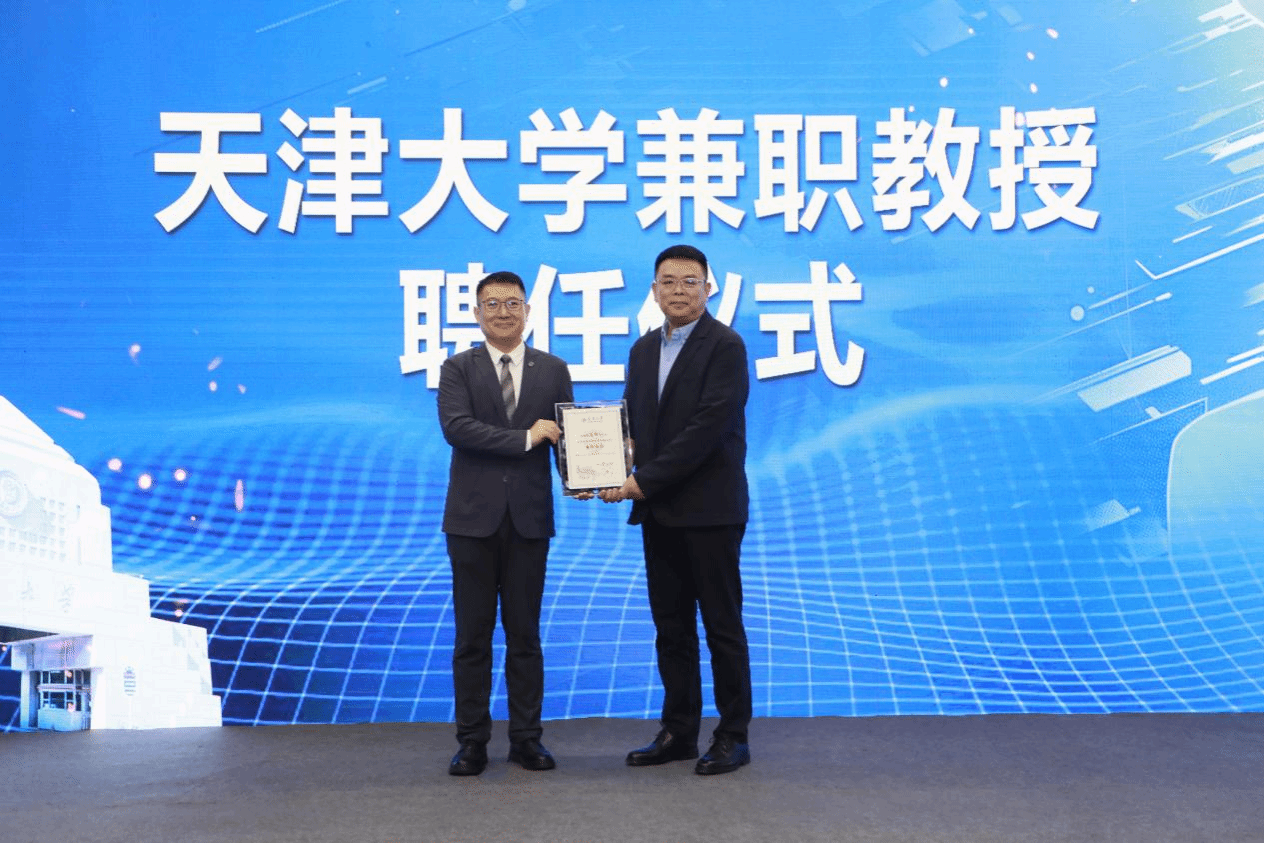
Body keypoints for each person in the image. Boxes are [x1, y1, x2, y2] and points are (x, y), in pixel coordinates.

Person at [600, 244, 753, 775]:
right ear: (654, 290)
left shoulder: (726, 346)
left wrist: (639, 481)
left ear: (708, 289)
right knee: (671, 628)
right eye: (668, 281)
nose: (679, 291)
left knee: (722, 627)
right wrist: (606, 464)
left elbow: (706, 431)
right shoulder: (644, 349)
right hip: (660, 512)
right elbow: (631, 423)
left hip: (710, 511)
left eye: (691, 281)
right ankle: (679, 730)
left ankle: (733, 735)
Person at [437, 270, 573, 776]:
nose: (503, 312)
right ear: (477, 313)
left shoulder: (553, 369)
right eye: (492, 304)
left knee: (525, 637)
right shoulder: (458, 368)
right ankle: (472, 741)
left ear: (527, 311)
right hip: (471, 522)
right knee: (472, 639)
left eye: (513, 303)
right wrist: (524, 438)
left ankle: (527, 740)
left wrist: (586, 474)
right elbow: (458, 429)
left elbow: (565, 435)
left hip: (529, 521)